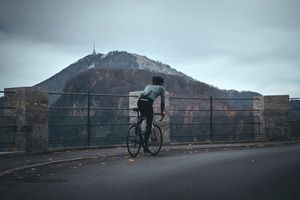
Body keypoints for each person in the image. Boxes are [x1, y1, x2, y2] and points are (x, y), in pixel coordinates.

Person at [137, 75, 165, 152]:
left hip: (140, 101)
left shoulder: (148, 86)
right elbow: (162, 102)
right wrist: (162, 112)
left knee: (143, 115)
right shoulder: (162, 88)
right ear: (161, 82)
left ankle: (137, 126)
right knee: (149, 124)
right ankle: (145, 146)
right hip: (148, 103)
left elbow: (142, 94)